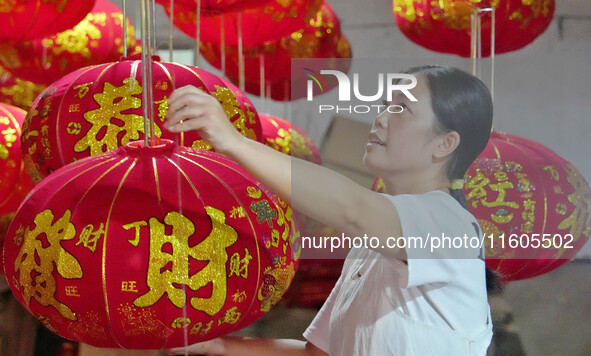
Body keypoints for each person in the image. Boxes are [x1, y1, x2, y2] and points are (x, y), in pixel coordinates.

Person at [164, 65, 495, 355]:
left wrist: (232, 141)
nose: (379, 119)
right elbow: (318, 354)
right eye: (384, 106)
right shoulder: (368, 249)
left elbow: (351, 207)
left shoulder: (451, 224)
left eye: (401, 109)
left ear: (445, 144)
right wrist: (217, 345)